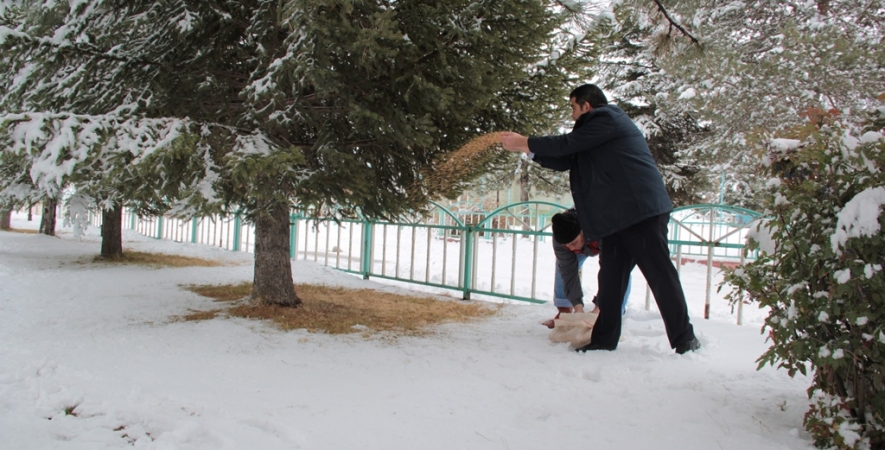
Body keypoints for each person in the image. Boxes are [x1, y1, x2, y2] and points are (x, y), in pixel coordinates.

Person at [500, 84, 700, 354]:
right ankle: (604, 339)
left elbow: (567, 144)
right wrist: (528, 150)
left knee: (660, 275)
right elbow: (566, 157)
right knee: (611, 280)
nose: (572, 114)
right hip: (618, 218)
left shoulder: (607, 118)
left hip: (641, 212)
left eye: (573, 107)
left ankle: (685, 338)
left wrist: (525, 141)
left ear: (587, 105)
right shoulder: (592, 135)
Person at [543, 208, 631, 328]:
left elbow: (611, 272)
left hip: (606, 239)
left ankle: (613, 312)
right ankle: (565, 312)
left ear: (582, 231)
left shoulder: (603, 227)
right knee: (562, 269)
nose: (571, 248)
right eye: (567, 246)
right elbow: (568, 272)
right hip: (587, 241)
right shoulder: (560, 238)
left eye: (573, 243)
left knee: (620, 270)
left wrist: (597, 310)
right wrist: (578, 309)